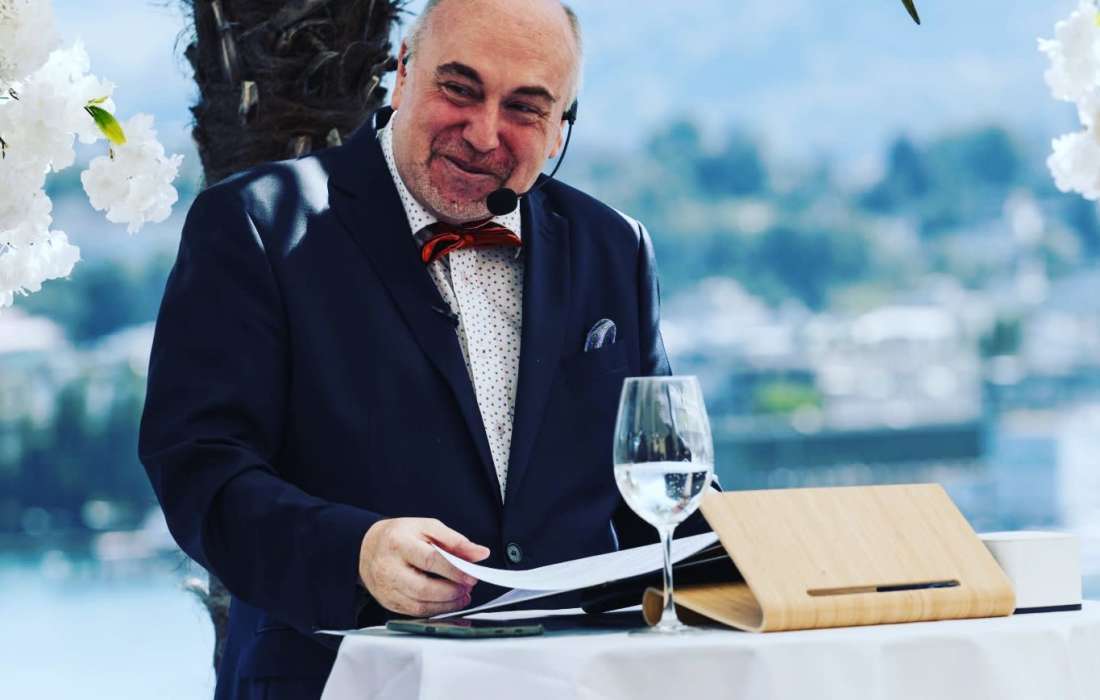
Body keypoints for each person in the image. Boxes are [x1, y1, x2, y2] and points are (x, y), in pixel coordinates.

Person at [139, 0, 707, 697]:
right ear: (403, 72)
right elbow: (199, 469)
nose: (484, 133)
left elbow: (663, 480)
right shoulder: (254, 223)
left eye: (525, 108)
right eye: (460, 89)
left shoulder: (614, 246)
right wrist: (357, 552)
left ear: (562, 126)